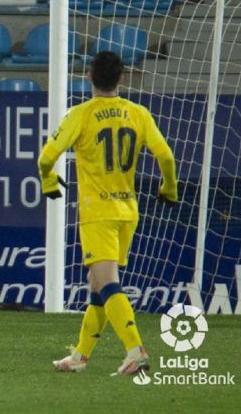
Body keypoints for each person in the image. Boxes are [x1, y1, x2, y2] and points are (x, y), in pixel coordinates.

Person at [39, 51, 178, 375]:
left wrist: (48, 180)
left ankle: (135, 350)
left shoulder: (82, 114)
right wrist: (168, 189)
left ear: (89, 77)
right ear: (121, 79)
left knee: (106, 281)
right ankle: (80, 356)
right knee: (97, 283)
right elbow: (167, 157)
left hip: (98, 211)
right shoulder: (138, 113)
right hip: (128, 211)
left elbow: (47, 156)